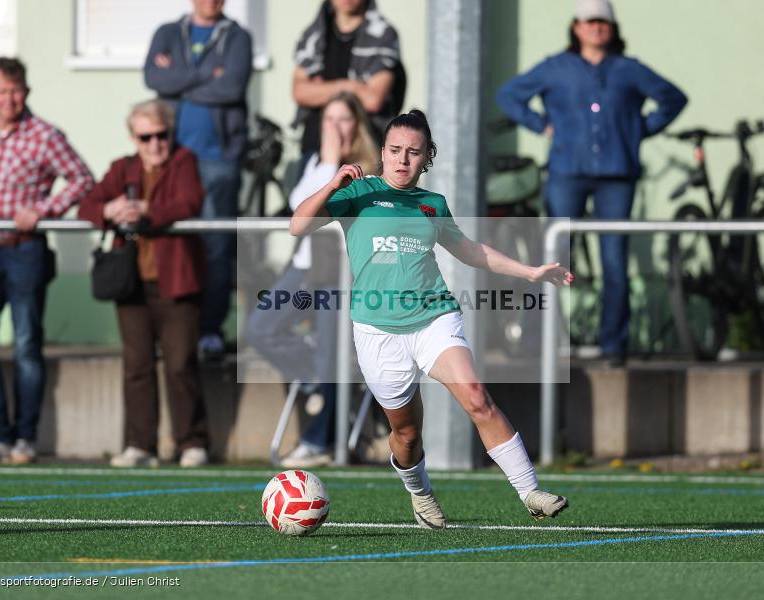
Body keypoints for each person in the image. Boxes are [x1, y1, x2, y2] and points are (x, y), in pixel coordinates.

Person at [290, 109, 574, 528]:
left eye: (413, 152)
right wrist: (333, 184)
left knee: (477, 397)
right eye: (395, 150)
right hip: (376, 331)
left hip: (433, 317)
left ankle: (530, 490)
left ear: (426, 158)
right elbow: (297, 226)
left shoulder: (431, 204)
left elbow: (472, 251)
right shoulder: (358, 194)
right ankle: (420, 493)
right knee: (406, 435)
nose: (402, 160)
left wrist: (530, 272)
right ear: (382, 153)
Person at [496, 0, 687, 364]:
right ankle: (534, 343)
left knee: (614, 261)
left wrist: (637, 131)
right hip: (567, 172)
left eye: (603, 21)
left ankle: (614, 345)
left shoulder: (627, 69)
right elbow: (509, 96)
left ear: (612, 29)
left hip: (617, 175)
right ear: (577, 27)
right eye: (589, 21)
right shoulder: (557, 68)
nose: (597, 27)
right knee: (551, 257)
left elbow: (672, 99)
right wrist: (540, 125)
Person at [0, 57, 94, 464]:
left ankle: (25, 439)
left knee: (25, 344)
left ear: (26, 92)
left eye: (16, 91)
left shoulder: (45, 135)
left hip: (24, 250)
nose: (9, 99)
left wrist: (45, 210)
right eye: (2, 92)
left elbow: (83, 178)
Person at [247, 92, 379, 468]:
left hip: (340, 273)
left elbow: (325, 210)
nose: (335, 128)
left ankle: (318, 440)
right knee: (260, 328)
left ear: (357, 125)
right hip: (304, 267)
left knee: (331, 354)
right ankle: (322, 383)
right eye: (329, 120)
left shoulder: (364, 169)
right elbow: (299, 209)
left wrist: (334, 164)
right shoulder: (318, 163)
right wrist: (327, 162)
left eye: (344, 120)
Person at [78, 100, 210, 468]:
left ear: (170, 133)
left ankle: (192, 442)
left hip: (178, 282)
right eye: (146, 136)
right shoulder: (123, 168)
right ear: (133, 138)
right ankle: (140, 444)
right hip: (132, 285)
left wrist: (146, 211)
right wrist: (108, 210)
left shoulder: (184, 161)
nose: (155, 143)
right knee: (136, 365)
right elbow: (87, 203)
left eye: (161, 134)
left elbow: (189, 201)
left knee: (180, 363)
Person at [144, 0, 253, 360]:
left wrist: (179, 80)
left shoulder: (237, 37)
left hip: (218, 159)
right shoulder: (167, 32)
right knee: (172, 245)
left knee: (217, 249)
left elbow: (232, 88)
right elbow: (154, 78)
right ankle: (174, 332)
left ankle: (209, 330)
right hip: (172, 159)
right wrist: (208, 75)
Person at [292, 0, 403, 162]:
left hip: (365, 149)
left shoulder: (383, 36)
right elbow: (300, 92)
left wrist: (320, 89)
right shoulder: (313, 35)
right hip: (315, 144)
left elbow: (373, 99)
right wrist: (350, 86)